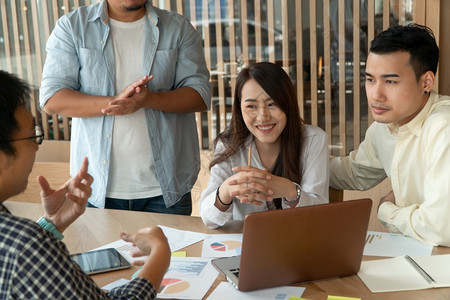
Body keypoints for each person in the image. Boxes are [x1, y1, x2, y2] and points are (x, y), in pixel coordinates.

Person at [0, 70, 170, 298]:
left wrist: (52, 224)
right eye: (32, 136)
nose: (37, 146)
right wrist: (160, 255)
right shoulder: (24, 246)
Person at [39, 0, 211, 215]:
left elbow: (200, 95)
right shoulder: (73, 26)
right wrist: (115, 103)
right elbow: (52, 98)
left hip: (168, 190)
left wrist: (149, 100)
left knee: (168, 250)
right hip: (95, 189)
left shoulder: (177, 27)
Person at [330, 24, 450, 246]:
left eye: (390, 81)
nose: (376, 94)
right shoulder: (383, 127)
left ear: (426, 82)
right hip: (419, 255)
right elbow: (354, 172)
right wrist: (292, 158)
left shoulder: (443, 126)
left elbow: (442, 227)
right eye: (370, 80)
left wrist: (386, 210)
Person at [199, 62, 329, 228]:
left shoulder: (313, 139)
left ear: (288, 104)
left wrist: (289, 191)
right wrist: (226, 190)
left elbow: (319, 216)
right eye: (251, 106)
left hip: (298, 243)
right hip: (244, 245)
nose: (263, 117)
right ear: (240, 109)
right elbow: (208, 220)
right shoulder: (228, 144)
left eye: (272, 104)